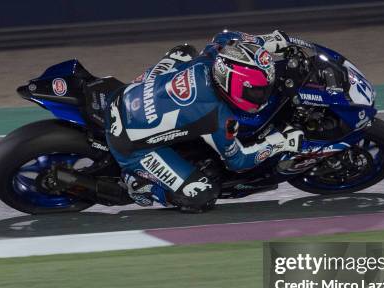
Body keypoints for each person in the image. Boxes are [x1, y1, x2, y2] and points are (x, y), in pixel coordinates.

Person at [104, 29, 310, 212]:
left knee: (184, 51)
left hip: (124, 95)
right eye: (256, 91)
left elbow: (225, 37)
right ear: (232, 84)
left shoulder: (211, 60)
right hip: (129, 145)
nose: (263, 94)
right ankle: (139, 186)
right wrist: (280, 142)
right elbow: (238, 161)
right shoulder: (217, 117)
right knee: (201, 195)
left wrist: (263, 41)